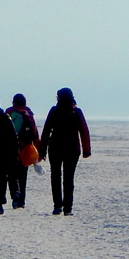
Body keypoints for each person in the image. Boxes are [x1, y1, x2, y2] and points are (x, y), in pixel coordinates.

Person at [38, 87, 91, 215]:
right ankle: (68, 208)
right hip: (72, 149)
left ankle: (57, 206)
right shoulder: (76, 112)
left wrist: (42, 151)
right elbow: (84, 131)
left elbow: (46, 131)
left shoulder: (55, 111)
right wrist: (86, 150)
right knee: (69, 178)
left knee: (55, 176)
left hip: (55, 148)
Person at [4, 93, 40, 209]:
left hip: (10, 148)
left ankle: (15, 195)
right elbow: (34, 133)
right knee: (23, 174)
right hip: (26, 149)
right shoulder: (28, 114)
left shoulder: (9, 113)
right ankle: (22, 201)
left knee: (11, 174)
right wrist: (39, 151)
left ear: (13, 102)